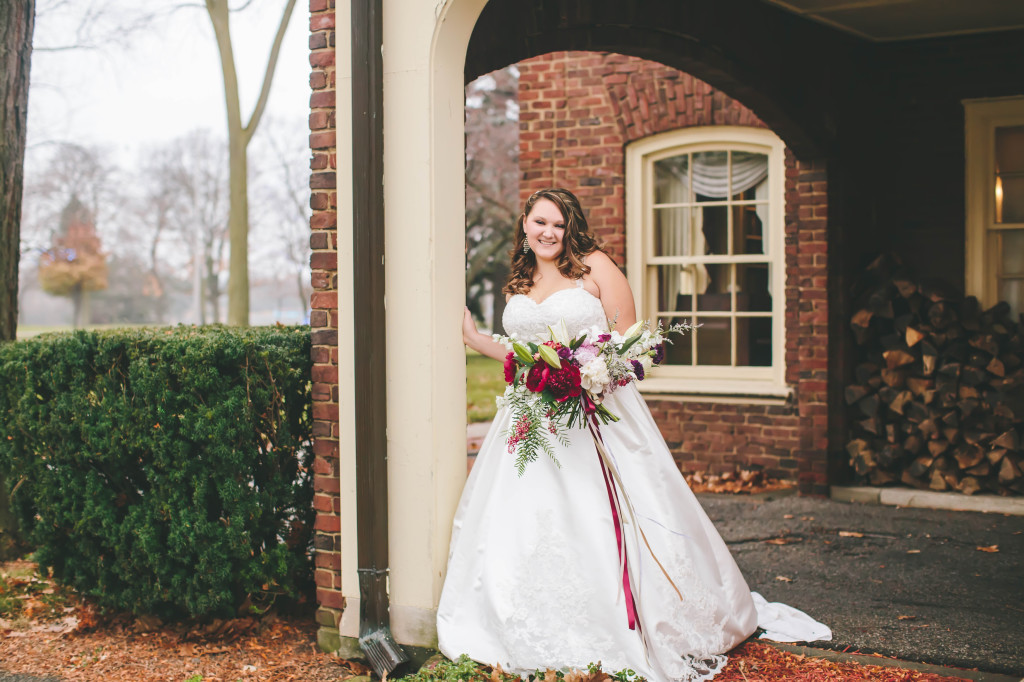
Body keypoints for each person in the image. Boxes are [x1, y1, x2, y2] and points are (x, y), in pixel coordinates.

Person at [437, 188, 827, 682]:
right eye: (539, 222)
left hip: (595, 412)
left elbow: (631, 344)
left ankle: (639, 619)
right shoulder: (520, 278)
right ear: (525, 224)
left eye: (557, 224)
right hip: (531, 417)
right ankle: (517, 623)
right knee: (522, 519)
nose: (548, 233)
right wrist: (476, 341)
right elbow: (523, 356)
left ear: (570, 227)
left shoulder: (595, 266)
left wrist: (587, 377)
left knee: (609, 516)